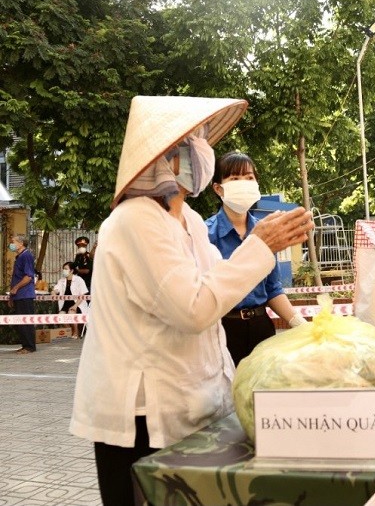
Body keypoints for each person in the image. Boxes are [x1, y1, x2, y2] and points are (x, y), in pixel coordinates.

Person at [69, 95, 313, 506]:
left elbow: (220, 286)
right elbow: (194, 308)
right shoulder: (134, 221)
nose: (206, 151)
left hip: (194, 409)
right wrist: (259, 246)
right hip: (144, 420)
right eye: (195, 141)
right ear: (169, 159)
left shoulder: (191, 222)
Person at [206, 151, 307, 366]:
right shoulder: (206, 234)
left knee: (264, 392)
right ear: (218, 188)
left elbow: (272, 288)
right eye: (234, 178)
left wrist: (298, 323)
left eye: (249, 177)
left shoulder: (268, 231)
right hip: (223, 329)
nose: (243, 183)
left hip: (261, 326)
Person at [9, 233, 37, 354]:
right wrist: (12, 296)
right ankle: (25, 345)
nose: (11, 244)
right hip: (19, 295)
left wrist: (16, 288)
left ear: (21, 243)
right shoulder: (19, 257)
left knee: (26, 322)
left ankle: (30, 346)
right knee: (21, 322)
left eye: (13, 241)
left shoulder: (26, 256)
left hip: (25, 294)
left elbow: (28, 277)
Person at [52, 261, 89, 339]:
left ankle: (76, 332)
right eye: (63, 269)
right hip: (65, 305)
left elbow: (83, 295)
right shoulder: (61, 281)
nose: (63, 271)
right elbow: (56, 289)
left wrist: (75, 306)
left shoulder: (79, 280)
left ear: (71, 270)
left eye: (65, 269)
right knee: (60, 317)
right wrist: (54, 292)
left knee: (71, 314)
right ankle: (70, 331)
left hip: (77, 304)